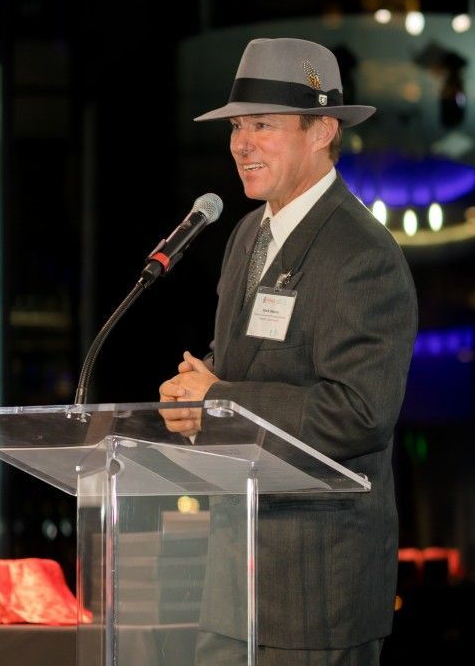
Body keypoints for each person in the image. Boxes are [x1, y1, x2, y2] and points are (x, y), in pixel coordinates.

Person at [159, 37, 418, 666]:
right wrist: (196, 402)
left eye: (263, 126)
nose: (241, 144)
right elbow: (241, 372)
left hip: (314, 594)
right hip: (230, 589)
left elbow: (358, 414)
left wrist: (218, 399)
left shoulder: (362, 253)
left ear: (323, 130)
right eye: (237, 127)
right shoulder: (247, 235)